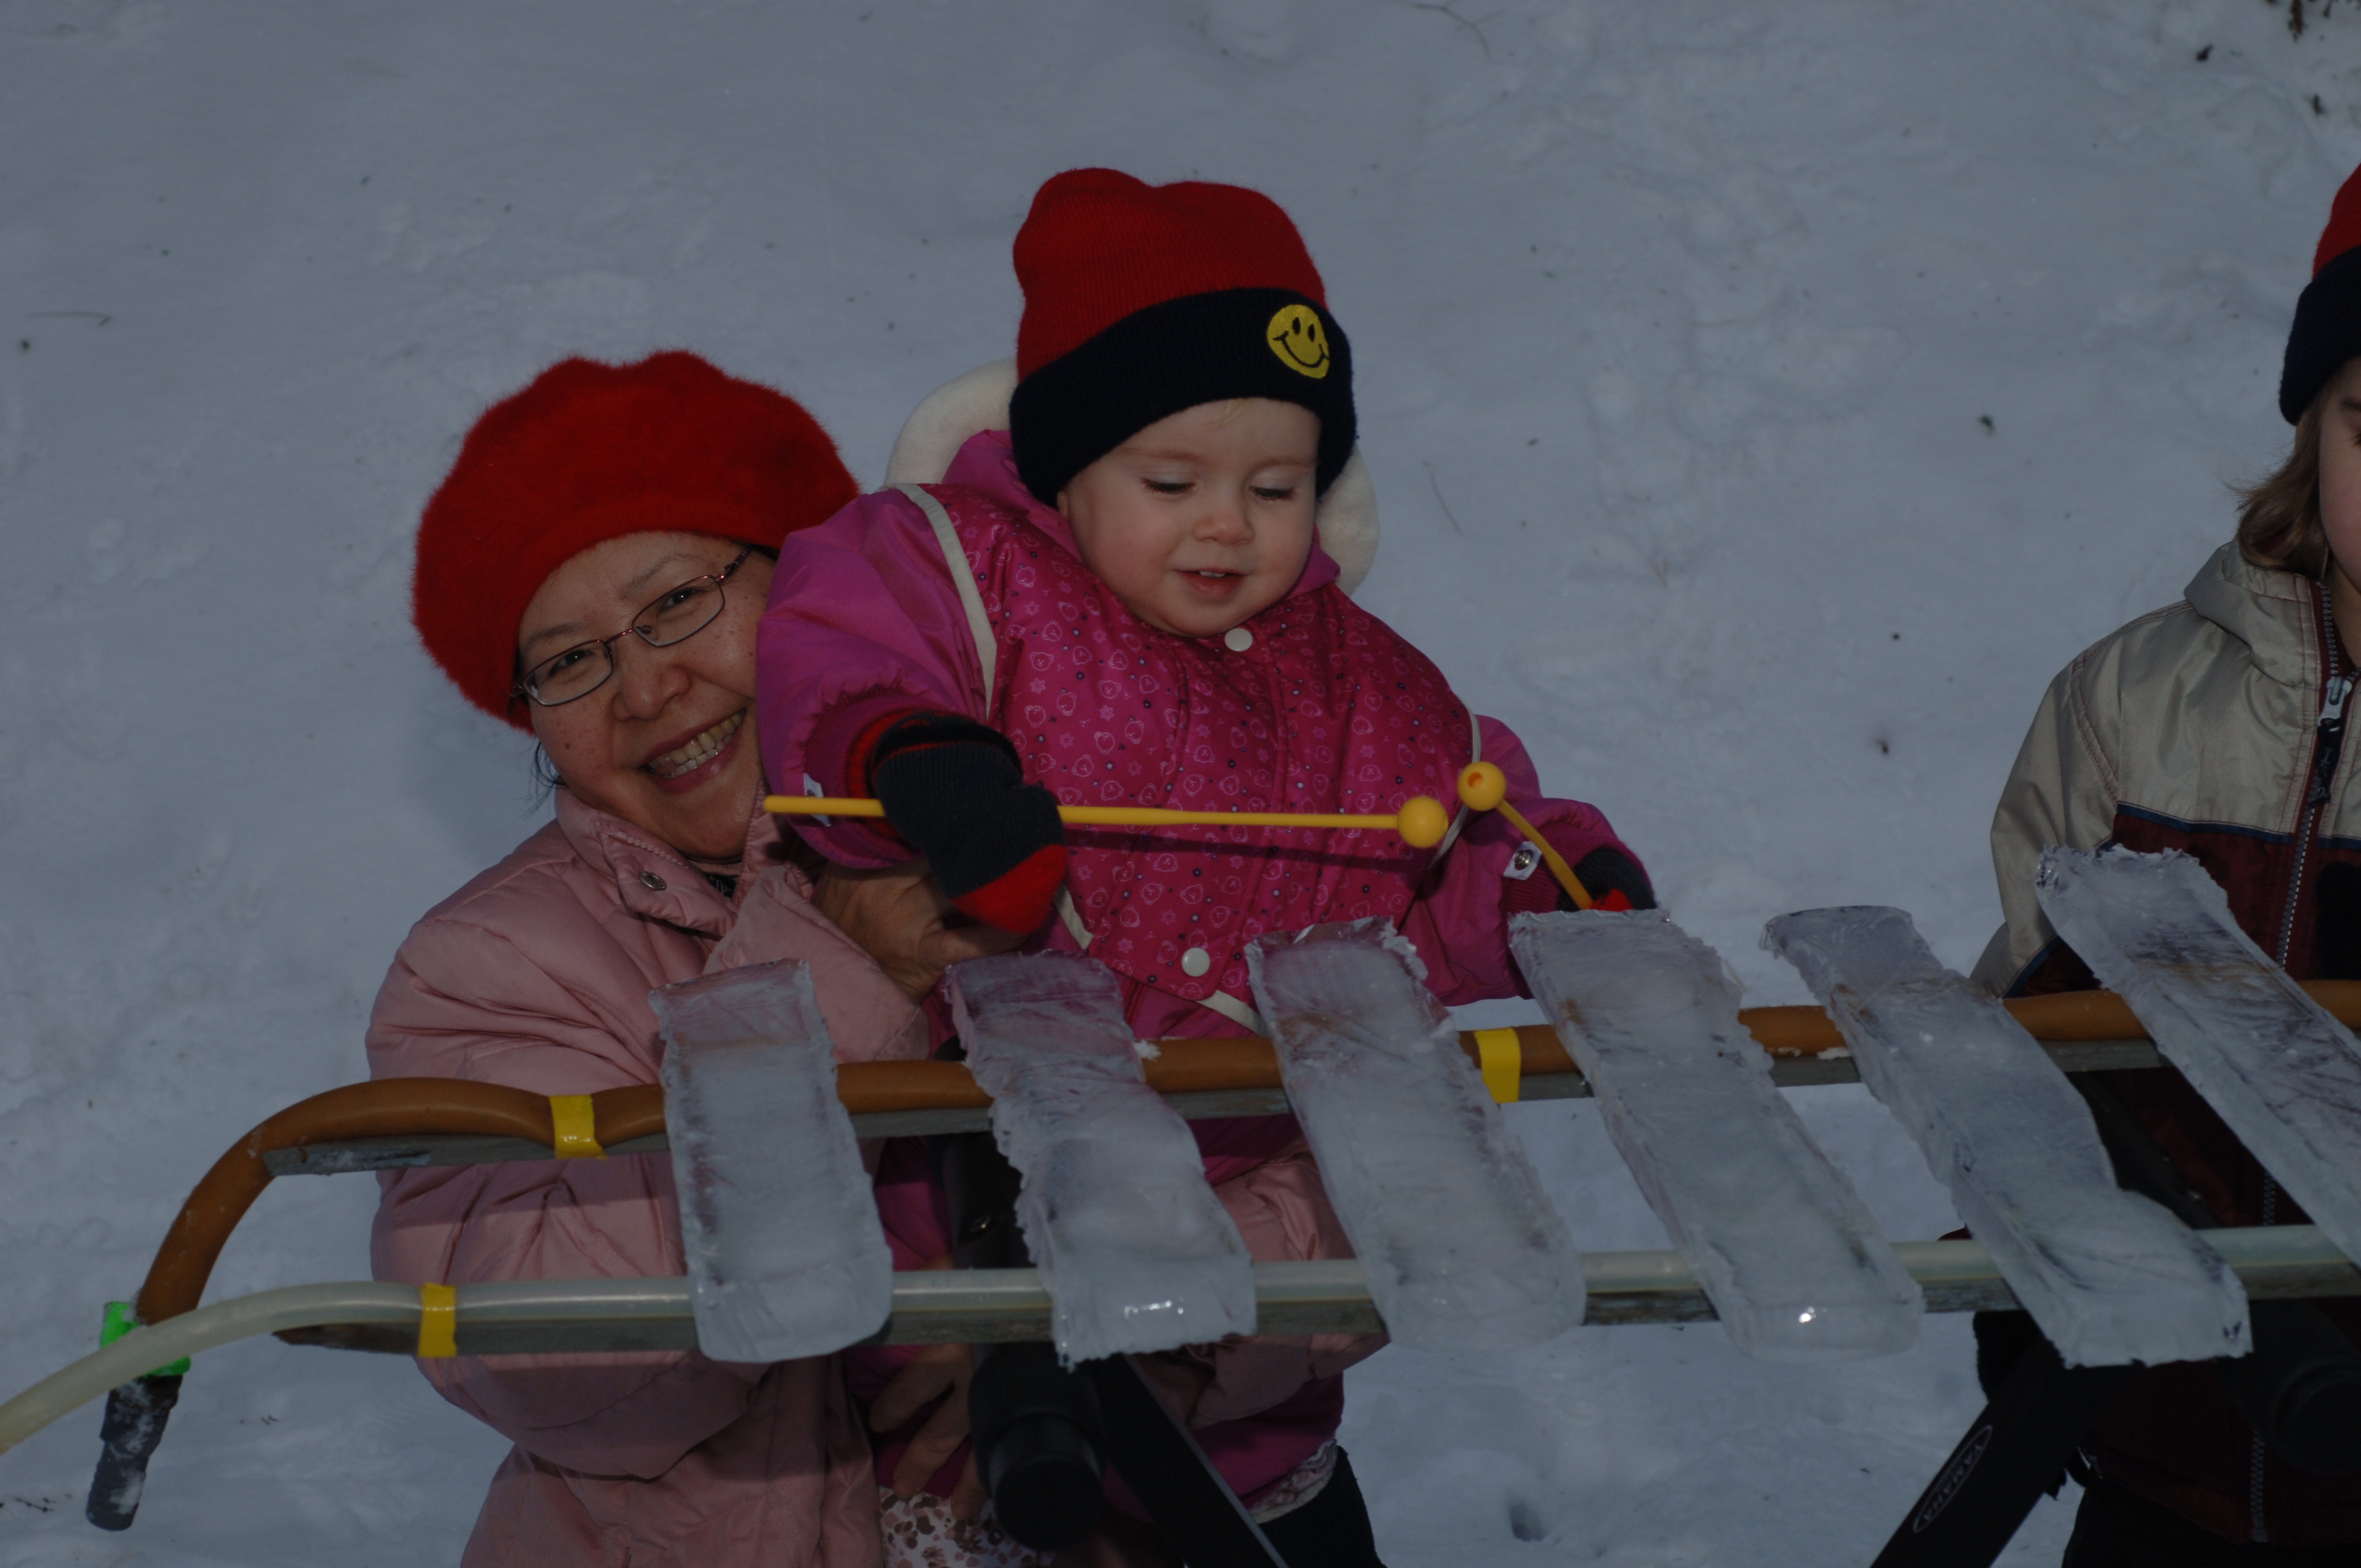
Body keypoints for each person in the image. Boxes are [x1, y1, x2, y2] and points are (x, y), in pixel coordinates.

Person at [758, 170, 1653, 1565]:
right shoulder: (972, 570)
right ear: (1065, 469)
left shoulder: (1366, 684)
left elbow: (1457, 845)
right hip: (978, 1259)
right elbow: (846, 648)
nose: (1227, 523)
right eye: (1171, 483)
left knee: (1250, 1508)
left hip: (1244, 1322)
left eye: (1274, 486)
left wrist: (1548, 886)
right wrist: (924, 762)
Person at [371, 351, 1021, 1566]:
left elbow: (1310, 1170)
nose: (646, 688)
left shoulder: (1014, 819)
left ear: (811, 589)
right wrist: (838, 971)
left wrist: (1115, 1332)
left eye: (676, 601)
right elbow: (556, 1369)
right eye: (570, 660)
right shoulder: (493, 963)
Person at [1973, 164, 2361, 1562]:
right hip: (2163, 1457)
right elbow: (2021, 1044)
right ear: (2310, 427)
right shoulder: (2129, 708)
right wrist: (2027, 1262)